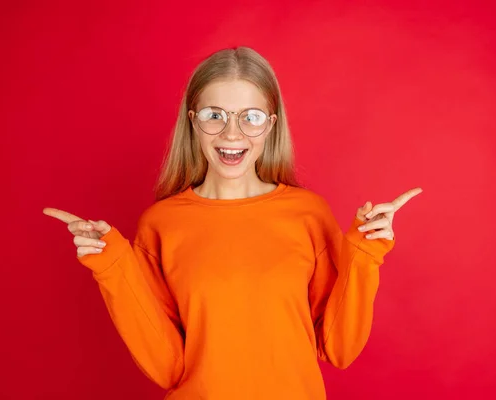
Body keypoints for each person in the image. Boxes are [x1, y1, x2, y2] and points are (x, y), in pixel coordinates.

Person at [44, 46, 422, 399]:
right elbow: (167, 368)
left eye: (250, 117)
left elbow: (339, 349)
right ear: (192, 121)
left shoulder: (309, 214)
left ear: (271, 124)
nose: (232, 133)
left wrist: (365, 251)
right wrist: (112, 266)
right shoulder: (161, 224)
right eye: (214, 115)